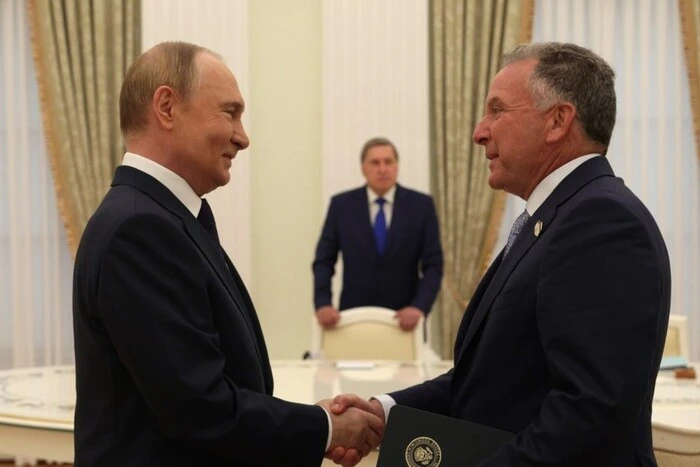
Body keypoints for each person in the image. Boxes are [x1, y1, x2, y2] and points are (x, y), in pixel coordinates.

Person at [330, 42, 671, 466]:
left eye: (497, 110)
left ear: (558, 121)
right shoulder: (554, 217)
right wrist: (384, 412)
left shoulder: (600, 222)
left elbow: (589, 415)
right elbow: (489, 381)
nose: (479, 131)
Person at [72, 41, 382, 467]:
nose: (243, 137)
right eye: (229, 112)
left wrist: (314, 423)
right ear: (167, 107)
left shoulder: (163, 216)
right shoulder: (140, 229)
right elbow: (198, 408)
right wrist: (325, 427)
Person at [312, 137, 443, 331]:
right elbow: (324, 260)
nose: (382, 169)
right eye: (375, 163)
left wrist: (419, 307)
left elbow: (433, 265)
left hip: (405, 321)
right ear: (363, 168)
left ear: (397, 166)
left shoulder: (421, 206)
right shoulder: (341, 206)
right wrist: (323, 303)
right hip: (353, 319)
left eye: (388, 162)